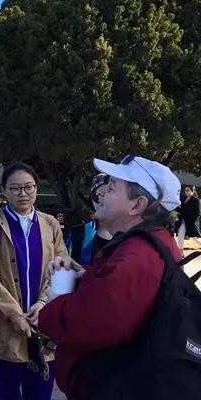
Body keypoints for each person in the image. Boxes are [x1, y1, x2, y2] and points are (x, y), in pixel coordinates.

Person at [39, 155, 183, 399]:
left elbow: (85, 323)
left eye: (112, 187)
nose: (100, 192)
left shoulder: (137, 257)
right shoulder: (148, 244)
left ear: (137, 206)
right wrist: (86, 276)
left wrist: (51, 306)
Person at [0, 162, 67, 400]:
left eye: (29, 187)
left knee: (40, 393)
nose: (23, 194)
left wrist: (43, 303)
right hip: (5, 328)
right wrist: (14, 314)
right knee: (7, 393)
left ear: (36, 188)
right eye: (15, 188)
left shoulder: (50, 224)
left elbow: (62, 270)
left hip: (42, 327)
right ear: (3, 191)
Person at [65, 173, 113, 265]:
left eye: (108, 194)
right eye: (97, 196)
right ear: (91, 200)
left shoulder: (132, 234)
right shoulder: (78, 233)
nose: (102, 200)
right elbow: (67, 265)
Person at [176, 185, 200, 250]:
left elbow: (197, 213)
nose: (186, 192)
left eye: (188, 190)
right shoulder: (183, 199)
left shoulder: (196, 200)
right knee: (180, 236)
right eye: (185, 190)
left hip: (191, 222)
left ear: (192, 191)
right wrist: (175, 208)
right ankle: (181, 252)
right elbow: (182, 210)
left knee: (195, 237)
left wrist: (193, 221)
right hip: (183, 221)